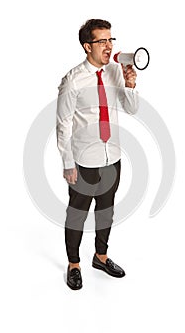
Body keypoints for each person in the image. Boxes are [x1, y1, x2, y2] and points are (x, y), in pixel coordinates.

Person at [56, 19, 139, 290]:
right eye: (102, 41)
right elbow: (63, 124)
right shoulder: (73, 80)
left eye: (111, 40)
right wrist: (68, 163)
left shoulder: (115, 72)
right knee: (77, 214)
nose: (109, 46)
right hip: (84, 162)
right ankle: (74, 263)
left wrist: (129, 85)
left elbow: (131, 109)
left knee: (106, 211)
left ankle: (100, 257)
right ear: (86, 46)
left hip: (111, 157)